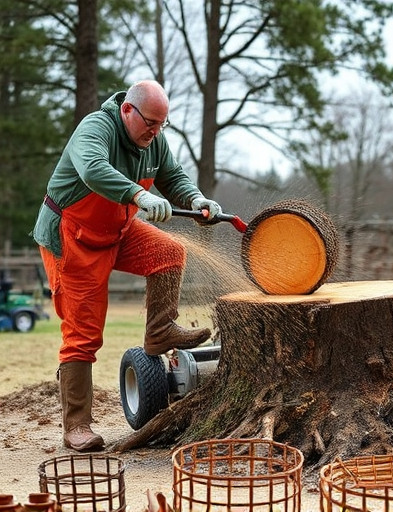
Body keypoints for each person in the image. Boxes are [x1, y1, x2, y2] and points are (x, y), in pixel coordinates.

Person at [32, 80, 222, 452]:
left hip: (117, 229)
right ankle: (77, 426)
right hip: (75, 236)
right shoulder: (96, 128)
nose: (155, 131)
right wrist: (138, 194)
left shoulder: (154, 141)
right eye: (150, 122)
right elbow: (92, 169)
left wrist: (198, 200)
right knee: (84, 332)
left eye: (161, 124)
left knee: (168, 251)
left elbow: (174, 177)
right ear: (126, 111)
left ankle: (160, 331)